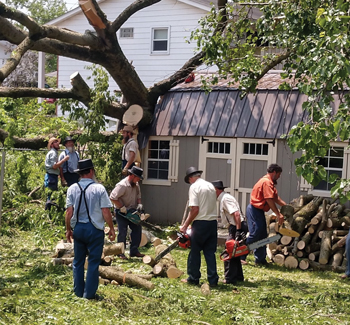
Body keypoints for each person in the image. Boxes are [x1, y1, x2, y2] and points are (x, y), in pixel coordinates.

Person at [65, 159, 116, 299]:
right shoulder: (99, 188)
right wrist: (111, 228)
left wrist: (68, 229)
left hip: (79, 228)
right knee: (93, 262)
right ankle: (89, 294)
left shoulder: (72, 188)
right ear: (91, 171)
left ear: (80, 173)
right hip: (95, 229)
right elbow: (105, 210)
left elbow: (69, 212)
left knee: (78, 261)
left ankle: (78, 292)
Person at [180, 167, 219, 287]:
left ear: (191, 178)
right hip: (212, 222)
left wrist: (185, 225)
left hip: (200, 222)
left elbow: (195, 209)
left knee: (195, 251)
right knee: (210, 252)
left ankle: (193, 277)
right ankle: (213, 280)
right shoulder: (210, 186)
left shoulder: (194, 187)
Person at [246, 163, 286, 266]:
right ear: (274, 172)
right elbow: (269, 199)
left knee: (263, 235)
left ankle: (260, 259)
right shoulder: (266, 182)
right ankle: (239, 254)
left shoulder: (270, 183)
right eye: (278, 174)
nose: (279, 177)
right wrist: (278, 214)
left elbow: (276, 198)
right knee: (256, 233)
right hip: (254, 210)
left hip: (259, 211)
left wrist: (287, 206)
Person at [212, 180, 248, 284]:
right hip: (235, 226)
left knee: (229, 252)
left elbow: (236, 214)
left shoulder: (225, 199)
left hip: (237, 225)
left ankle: (229, 278)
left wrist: (238, 230)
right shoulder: (223, 198)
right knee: (235, 252)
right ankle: (238, 276)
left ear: (216, 190)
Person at [109, 166, 145, 259]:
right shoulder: (122, 185)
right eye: (137, 178)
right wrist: (121, 207)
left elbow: (138, 196)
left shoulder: (136, 184)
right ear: (132, 175)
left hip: (132, 210)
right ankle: (120, 252)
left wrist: (139, 204)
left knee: (137, 229)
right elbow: (112, 197)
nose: (138, 180)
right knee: (123, 231)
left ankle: (134, 251)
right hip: (122, 211)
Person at [44, 137, 69, 209]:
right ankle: (48, 213)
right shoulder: (53, 153)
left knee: (52, 196)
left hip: (52, 176)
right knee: (51, 197)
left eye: (57, 142)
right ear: (51, 145)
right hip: (51, 177)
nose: (58, 143)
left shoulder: (54, 152)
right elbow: (54, 166)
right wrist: (64, 160)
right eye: (55, 142)